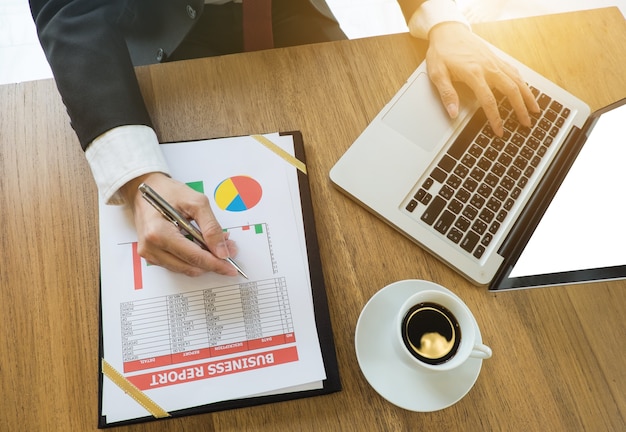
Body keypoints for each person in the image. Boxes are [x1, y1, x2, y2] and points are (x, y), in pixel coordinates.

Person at [29, 0, 538, 277]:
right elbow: (66, 6)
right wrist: (141, 180)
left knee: (372, 184)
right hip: (153, 21)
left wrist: (444, 20)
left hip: (279, 9)